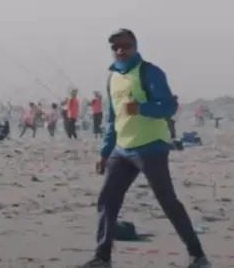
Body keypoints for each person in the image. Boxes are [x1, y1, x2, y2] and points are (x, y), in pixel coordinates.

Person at [78, 29, 208, 268]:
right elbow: (111, 119)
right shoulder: (112, 77)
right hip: (122, 148)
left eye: (125, 46)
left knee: (167, 200)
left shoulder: (149, 71)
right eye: (115, 47)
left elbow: (168, 106)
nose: (120, 51)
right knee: (107, 200)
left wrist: (141, 108)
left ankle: (198, 256)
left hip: (151, 147)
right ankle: (102, 258)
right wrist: (105, 152)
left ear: (135, 46)